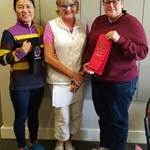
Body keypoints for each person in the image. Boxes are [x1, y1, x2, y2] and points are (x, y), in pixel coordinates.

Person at [83, 0, 149, 150]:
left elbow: (142, 52)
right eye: (107, 2)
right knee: (104, 118)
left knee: (117, 121)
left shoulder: (131, 23)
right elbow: (90, 46)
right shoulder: (99, 21)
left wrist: (120, 40)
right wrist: (87, 63)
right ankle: (105, 147)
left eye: (114, 1)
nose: (111, 5)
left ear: (122, 3)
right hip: (99, 80)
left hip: (122, 83)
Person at [0, 0, 45, 150]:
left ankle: (34, 142)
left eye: (28, 6)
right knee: (21, 117)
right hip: (20, 85)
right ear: (15, 10)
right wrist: (22, 51)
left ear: (34, 9)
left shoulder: (41, 30)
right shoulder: (9, 32)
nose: (25, 10)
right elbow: (3, 59)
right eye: (20, 7)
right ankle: (21, 146)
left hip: (38, 83)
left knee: (34, 115)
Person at [43, 0, 88, 150]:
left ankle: (68, 141)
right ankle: (59, 142)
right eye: (63, 5)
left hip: (79, 80)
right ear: (58, 7)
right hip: (59, 80)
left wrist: (79, 75)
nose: (68, 9)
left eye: (72, 5)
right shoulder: (51, 26)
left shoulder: (84, 25)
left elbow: (87, 54)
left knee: (76, 115)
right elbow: (48, 57)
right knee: (62, 117)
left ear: (77, 6)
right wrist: (72, 75)